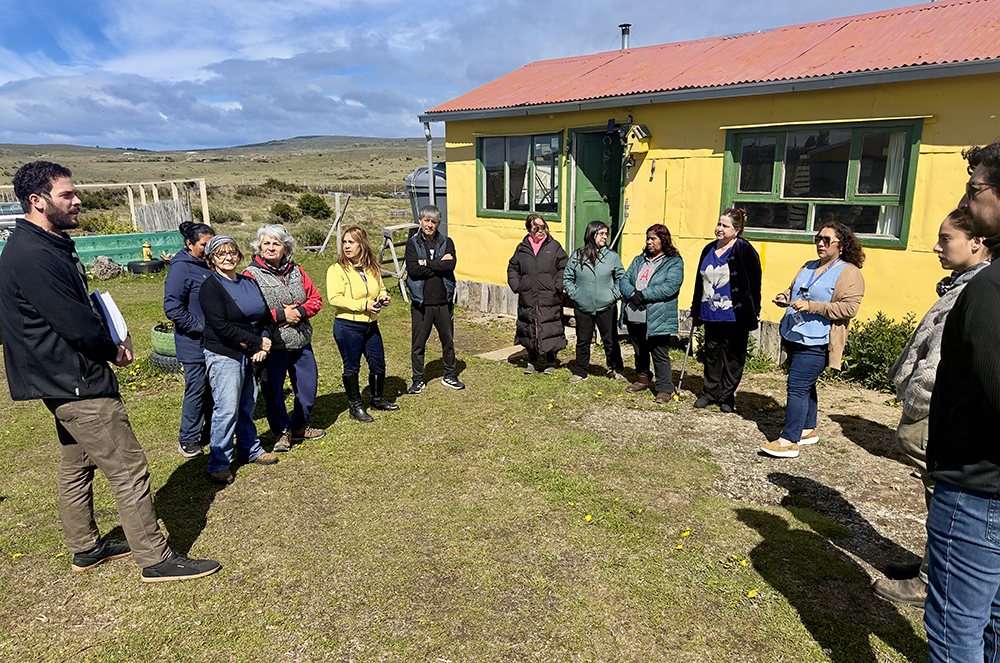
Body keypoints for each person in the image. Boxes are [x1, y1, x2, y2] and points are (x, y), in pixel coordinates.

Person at [0, 161, 220, 582]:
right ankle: (155, 558)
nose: (77, 199)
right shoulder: (32, 254)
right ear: (37, 201)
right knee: (128, 467)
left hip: (61, 379)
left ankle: (85, 548)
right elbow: (72, 320)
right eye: (66, 195)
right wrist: (112, 347)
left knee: (77, 464)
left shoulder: (44, 244)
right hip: (75, 381)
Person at [873, 208, 992, 608]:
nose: (937, 247)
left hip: (937, 408)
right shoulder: (964, 283)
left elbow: (940, 360)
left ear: (977, 241)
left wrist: (919, 404)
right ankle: (931, 567)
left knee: (946, 497)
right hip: (938, 409)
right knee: (938, 494)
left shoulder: (978, 289)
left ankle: (931, 582)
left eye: (947, 239)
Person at [924, 140, 1000, 662]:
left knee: (957, 634)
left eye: (975, 188)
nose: (965, 200)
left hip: (978, 491)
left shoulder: (991, 289)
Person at [761, 221, 865, 458]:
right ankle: (808, 429)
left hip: (818, 340)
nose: (820, 243)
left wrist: (812, 306)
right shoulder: (808, 266)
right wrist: (784, 296)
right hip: (794, 334)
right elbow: (795, 290)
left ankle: (789, 440)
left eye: (827, 240)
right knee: (805, 384)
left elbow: (848, 308)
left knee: (796, 387)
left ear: (841, 245)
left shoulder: (849, 272)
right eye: (818, 238)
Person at [199, 235, 279, 484]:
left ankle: (250, 450)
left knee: (247, 405)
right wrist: (257, 343)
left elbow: (265, 316)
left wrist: (264, 342)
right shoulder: (210, 287)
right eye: (221, 254)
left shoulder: (248, 281)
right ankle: (219, 462)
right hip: (225, 355)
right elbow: (221, 327)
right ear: (212, 259)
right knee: (227, 408)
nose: (228, 258)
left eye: (232, 252)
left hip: (252, 353)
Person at [244, 224, 325, 451]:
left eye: (276, 243)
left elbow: (315, 299)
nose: (271, 248)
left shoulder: (297, 270)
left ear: (285, 247)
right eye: (266, 243)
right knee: (274, 391)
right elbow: (249, 310)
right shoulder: (251, 275)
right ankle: (282, 432)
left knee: (308, 386)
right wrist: (281, 315)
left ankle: (300, 425)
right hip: (273, 343)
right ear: (259, 247)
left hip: (300, 340)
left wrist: (299, 312)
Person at [691, 208, 762, 413]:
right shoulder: (708, 249)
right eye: (718, 224)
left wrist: (755, 308)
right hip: (710, 310)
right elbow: (700, 280)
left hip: (735, 313)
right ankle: (709, 393)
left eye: (725, 225)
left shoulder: (744, 249)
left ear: (737, 230)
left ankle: (727, 396)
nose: (719, 229)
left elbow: (754, 282)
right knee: (712, 353)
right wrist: (696, 307)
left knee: (733, 356)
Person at [327, 226, 399, 422]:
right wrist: (363, 306)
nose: (347, 246)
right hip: (347, 325)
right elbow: (334, 298)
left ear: (362, 244)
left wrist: (384, 297)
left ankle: (376, 400)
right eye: (344, 242)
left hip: (370, 325)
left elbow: (381, 288)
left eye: (352, 242)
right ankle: (355, 407)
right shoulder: (337, 269)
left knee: (378, 364)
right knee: (352, 367)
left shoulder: (371, 267)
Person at [163, 220, 215, 458]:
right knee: (196, 389)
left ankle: (210, 431)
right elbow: (172, 307)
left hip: (215, 342)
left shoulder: (208, 264)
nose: (210, 248)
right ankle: (188, 439)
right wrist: (200, 328)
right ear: (189, 243)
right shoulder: (181, 268)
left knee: (213, 389)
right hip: (194, 343)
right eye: (205, 244)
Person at [619, 224, 685, 404]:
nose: (649, 242)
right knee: (639, 349)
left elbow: (671, 286)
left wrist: (644, 294)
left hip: (658, 314)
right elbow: (625, 279)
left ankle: (664, 388)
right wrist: (632, 294)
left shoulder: (673, 261)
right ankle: (642, 379)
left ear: (663, 240)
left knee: (659, 351)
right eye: (647, 238)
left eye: (653, 238)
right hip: (635, 312)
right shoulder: (639, 259)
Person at [404, 205, 464, 394]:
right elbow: (413, 270)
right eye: (427, 220)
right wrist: (439, 265)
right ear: (421, 221)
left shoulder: (447, 242)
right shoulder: (412, 243)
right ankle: (418, 379)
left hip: (443, 302)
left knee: (448, 341)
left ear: (438, 224)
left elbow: (451, 264)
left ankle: (449, 375)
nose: (430, 225)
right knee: (418, 344)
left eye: (434, 221)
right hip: (421, 303)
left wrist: (426, 263)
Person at [563, 220, 627, 383]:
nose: (605, 236)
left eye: (606, 234)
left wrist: (614, 295)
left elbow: (621, 277)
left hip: (606, 305)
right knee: (583, 340)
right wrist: (575, 295)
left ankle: (616, 369)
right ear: (591, 234)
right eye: (601, 234)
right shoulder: (577, 255)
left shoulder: (612, 256)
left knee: (610, 339)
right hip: (583, 305)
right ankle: (580, 371)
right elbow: (568, 278)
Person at [507, 214, 568, 375]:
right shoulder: (522, 248)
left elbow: (564, 267)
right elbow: (512, 268)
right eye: (536, 228)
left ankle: (550, 362)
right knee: (529, 326)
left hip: (549, 296)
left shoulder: (554, 246)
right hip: (528, 296)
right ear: (529, 230)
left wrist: (557, 286)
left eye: (543, 227)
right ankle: (532, 360)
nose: (541, 231)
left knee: (550, 326)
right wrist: (518, 286)